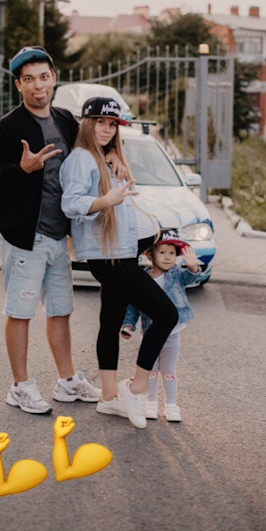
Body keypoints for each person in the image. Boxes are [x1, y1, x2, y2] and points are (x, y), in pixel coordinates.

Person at [0, 46, 126, 415]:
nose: (38, 85)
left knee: (60, 310)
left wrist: (112, 153)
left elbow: (89, 146)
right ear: (19, 85)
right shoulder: (7, 128)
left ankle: (67, 381)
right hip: (23, 237)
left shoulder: (64, 120)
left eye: (43, 77)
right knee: (20, 312)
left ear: (53, 79)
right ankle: (20, 387)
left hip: (59, 235)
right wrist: (21, 169)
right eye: (29, 79)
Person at [59, 96, 179, 429]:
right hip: (107, 255)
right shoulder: (81, 159)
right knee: (167, 314)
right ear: (87, 123)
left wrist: (111, 155)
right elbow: (70, 203)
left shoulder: (102, 156)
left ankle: (109, 396)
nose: (106, 129)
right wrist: (104, 200)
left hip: (118, 251)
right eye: (100, 122)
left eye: (112, 125)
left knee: (111, 320)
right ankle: (136, 388)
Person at [121, 230, 200, 422]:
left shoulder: (176, 274)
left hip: (172, 335)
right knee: (151, 370)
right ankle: (151, 402)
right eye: (162, 252)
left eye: (172, 253)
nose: (168, 257)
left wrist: (193, 267)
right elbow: (133, 305)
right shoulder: (143, 279)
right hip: (150, 335)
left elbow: (190, 278)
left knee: (169, 371)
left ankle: (171, 405)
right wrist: (129, 325)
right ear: (150, 255)